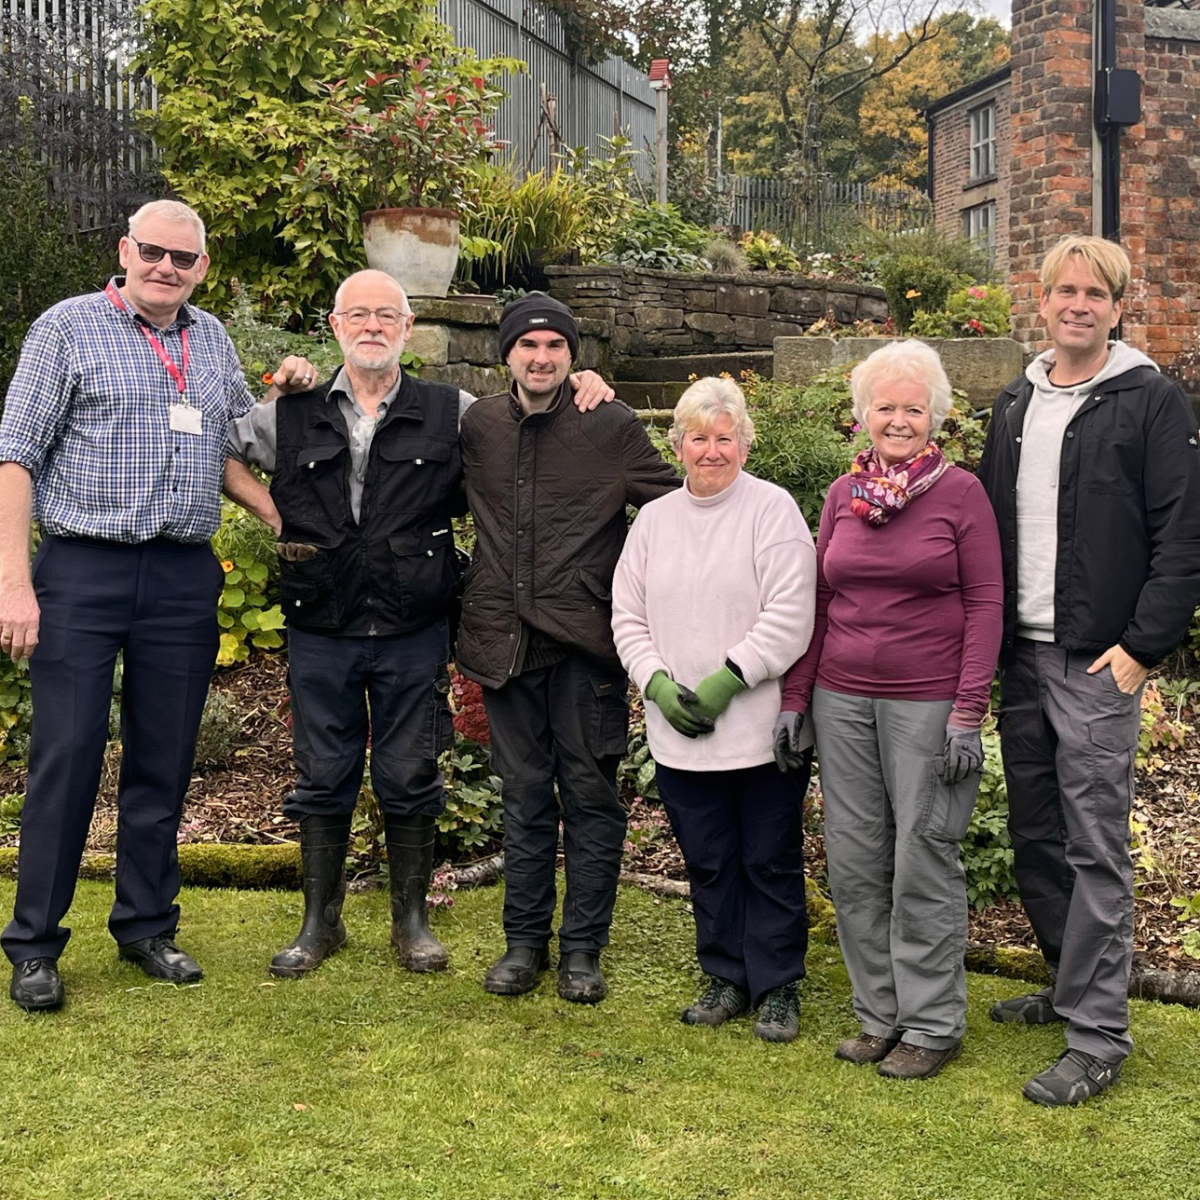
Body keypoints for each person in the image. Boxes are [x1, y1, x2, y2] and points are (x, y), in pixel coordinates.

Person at [223, 273, 616, 980]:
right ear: (336, 325)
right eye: (357, 314)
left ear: (407, 328)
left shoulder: (454, 411)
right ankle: (322, 922)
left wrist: (585, 383)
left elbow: (531, 430)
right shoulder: (291, 407)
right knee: (322, 776)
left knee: (409, 775)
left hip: (412, 623)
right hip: (323, 622)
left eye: (387, 315)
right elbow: (223, 457)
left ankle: (412, 922)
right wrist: (276, 515)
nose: (372, 325)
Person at [0, 200, 312, 1012]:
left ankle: (145, 925)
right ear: (125, 250)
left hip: (179, 577)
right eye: (153, 252)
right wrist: (13, 582)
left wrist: (275, 511)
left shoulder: (208, 340)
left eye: (183, 258)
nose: (166, 268)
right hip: (84, 573)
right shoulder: (66, 328)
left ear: (202, 268)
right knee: (65, 760)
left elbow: (227, 448)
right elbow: (14, 459)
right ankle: (34, 944)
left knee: (163, 760)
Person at [978, 235, 1200, 1107]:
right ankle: (1068, 985)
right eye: (1063, 290)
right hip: (1022, 655)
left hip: (1098, 660)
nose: (1076, 304)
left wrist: (1143, 647)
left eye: (1093, 293)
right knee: (1037, 836)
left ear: (1117, 306)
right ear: (1043, 301)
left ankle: (1099, 1035)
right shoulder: (1014, 401)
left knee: (1094, 846)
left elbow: (1183, 535)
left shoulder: (1150, 401)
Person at [780, 340, 1003, 1078]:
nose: (899, 419)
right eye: (886, 406)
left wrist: (968, 711)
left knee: (923, 860)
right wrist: (795, 697)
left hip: (927, 702)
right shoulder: (845, 494)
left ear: (934, 416)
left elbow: (985, 602)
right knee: (854, 860)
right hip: (842, 699)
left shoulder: (961, 493)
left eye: (913, 408)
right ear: (863, 416)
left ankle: (933, 1024)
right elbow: (820, 596)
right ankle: (881, 1015)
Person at [454, 292, 681, 1005]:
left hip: (585, 649)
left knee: (589, 800)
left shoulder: (607, 423)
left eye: (557, 348)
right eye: (529, 346)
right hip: (505, 646)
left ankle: (583, 950)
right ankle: (523, 945)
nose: (542, 358)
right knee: (522, 799)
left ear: (573, 357)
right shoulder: (480, 426)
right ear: (508, 355)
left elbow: (674, 509)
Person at [612, 377, 817, 1042]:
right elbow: (628, 617)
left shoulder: (772, 511)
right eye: (697, 438)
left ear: (745, 444)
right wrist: (658, 685)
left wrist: (732, 678)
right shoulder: (654, 522)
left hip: (757, 734)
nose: (711, 450)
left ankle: (779, 983)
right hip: (681, 737)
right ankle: (725, 973)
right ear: (677, 447)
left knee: (769, 859)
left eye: (723, 437)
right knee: (709, 861)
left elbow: (792, 613)